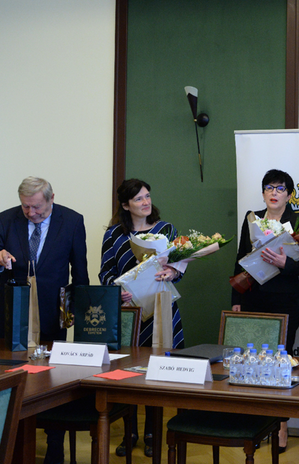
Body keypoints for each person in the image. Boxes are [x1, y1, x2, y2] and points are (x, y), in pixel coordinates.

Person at [0, 176, 89, 464]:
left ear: (51, 199)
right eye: (26, 207)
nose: (31, 213)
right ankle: (13, 446)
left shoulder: (72, 221)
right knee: (12, 377)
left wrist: (77, 313)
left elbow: (80, 272)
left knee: (52, 380)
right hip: (12, 313)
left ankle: (54, 447)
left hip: (53, 313)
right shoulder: (6, 219)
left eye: (37, 207)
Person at [99, 178, 185, 458]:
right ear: (126, 205)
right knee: (127, 373)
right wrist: (116, 290)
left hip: (160, 308)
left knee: (156, 371)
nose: (146, 202)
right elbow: (105, 273)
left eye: (147, 196)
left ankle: (152, 432)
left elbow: (179, 266)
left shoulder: (166, 230)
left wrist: (172, 272)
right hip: (129, 313)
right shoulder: (113, 235)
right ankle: (130, 432)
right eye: (138, 199)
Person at [233, 169, 299, 453]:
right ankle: (257, 425)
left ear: (289, 195)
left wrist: (285, 264)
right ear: (263, 193)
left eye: (280, 188)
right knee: (254, 362)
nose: (274, 193)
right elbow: (240, 259)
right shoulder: (252, 219)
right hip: (253, 299)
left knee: (282, 364)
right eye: (269, 187)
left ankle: (281, 427)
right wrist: (236, 297)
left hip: (284, 301)